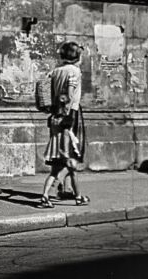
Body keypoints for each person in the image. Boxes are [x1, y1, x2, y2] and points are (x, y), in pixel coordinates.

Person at [38, 42, 89, 208]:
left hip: (55, 115)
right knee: (71, 153)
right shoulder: (74, 72)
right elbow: (68, 95)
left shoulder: (55, 71)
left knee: (61, 160)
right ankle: (75, 193)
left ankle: (67, 189)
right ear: (77, 57)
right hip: (69, 115)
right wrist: (66, 115)